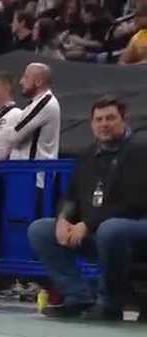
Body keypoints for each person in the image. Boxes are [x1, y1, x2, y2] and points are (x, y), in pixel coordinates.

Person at [28, 96, 147, 320]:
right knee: (40, 230)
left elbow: (134, 203)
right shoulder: (88, 154)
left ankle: (110, 303)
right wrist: (63, 219)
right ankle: (78, 297)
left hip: (136, 229)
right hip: (99, 230)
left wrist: (88, 224)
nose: (104, 124)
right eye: (98, 119)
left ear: (124, 119)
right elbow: (71, 196)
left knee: (111, 229)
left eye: (110, 118)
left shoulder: (140, 150)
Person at [9, 63, 59, 163]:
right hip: (24, 171)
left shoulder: (44, 104)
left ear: (38, 82)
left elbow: (14, 136)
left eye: (26, 77)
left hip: (33, 173)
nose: (21, 81)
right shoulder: (35, 103)